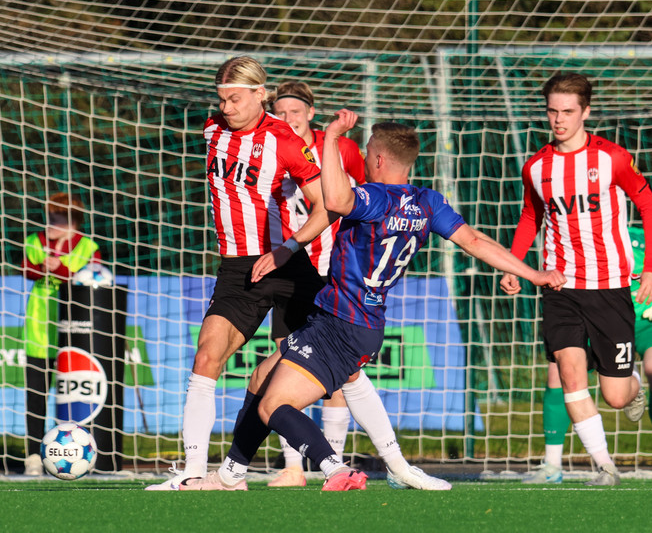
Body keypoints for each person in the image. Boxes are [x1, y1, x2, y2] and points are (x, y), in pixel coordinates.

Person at [179, 109, 566, 491]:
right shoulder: (428, 202)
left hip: (340, 323)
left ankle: (334, 468)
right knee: (263, 376)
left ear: (379, 159)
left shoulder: (375, 198)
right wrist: (534, 274)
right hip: (362, 321)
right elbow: (475, 241)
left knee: (273, 406)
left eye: (366, 152)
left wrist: (331, 137)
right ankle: (229, 475)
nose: (363, 159)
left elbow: (335, 200)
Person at [149, 58, 449, 491]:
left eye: (235, 99)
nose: (226, 107)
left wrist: (288, 247)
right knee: (207, 356)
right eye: (222, 99)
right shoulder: (213, 129)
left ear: (259, 94)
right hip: (238, 267)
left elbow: (328, 206)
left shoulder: (285, 141)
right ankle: (195, 474)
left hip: (288, 265)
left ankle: (396, 465)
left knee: (342, 372)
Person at [500, 72, 652, 486]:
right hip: (560, 286)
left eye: (568, 112)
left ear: (586, 112)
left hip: (609, 287)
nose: (559, 120)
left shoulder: (613, 158)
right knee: (569, 372)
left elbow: (648, 207)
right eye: (552, 111)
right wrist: (514, 266)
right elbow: (531, 216)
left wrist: (651, 267)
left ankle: (633, 382)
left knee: (616, 396)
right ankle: (606, 468)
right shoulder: (536, 166)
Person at [524, 226, 652, 485]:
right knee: (558, 372)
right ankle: (552, 465)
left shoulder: (644, 242)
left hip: (650, 320)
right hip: (603, 320)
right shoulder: (578, 246)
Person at [266, 80, 365, 487]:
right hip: (292, 268)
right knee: (285, 358)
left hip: (337, 270)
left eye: (295, 111)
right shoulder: (270, 146)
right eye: (280, 112)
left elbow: (364, 198)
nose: (287, 118)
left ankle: (334, 463)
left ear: (310, 113)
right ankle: (294, 467)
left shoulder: (341, 148)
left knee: (336, 371)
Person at [22, 192, 100, 475]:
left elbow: (95, 280)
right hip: (40, 329)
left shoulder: (88, 247)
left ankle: (82, 450)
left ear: (73, 220)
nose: (50, 224)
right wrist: (44, 267)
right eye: (50, 218)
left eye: (57, 219)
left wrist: (63, 269)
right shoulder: (35, 241)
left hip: (76, 331)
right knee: (36, 393)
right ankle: (33, 454)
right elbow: (27, 270)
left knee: (75, 393)